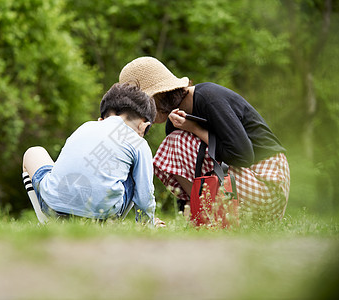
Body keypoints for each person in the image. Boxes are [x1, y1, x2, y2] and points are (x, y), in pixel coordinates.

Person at [119, 56, 290, 220]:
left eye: (144, 104)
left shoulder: (209, 98)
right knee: (170, 150)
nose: (142, 113)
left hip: (267, 180)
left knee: (174, 143)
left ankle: (203, 213)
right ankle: (202, 215)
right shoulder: (174, 122)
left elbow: (243, 155)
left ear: (161, 94)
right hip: (240, 186)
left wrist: (194, 128)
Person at [22, 83, 165, 226]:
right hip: (104, 216)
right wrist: (148, 225)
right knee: (137, 174)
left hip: (52, 205)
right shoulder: (138, 142)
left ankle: (47, 220)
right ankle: (120, 225)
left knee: (34, 152)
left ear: (101, 119)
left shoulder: (85, 126)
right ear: (143, 126)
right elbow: (144, 195)